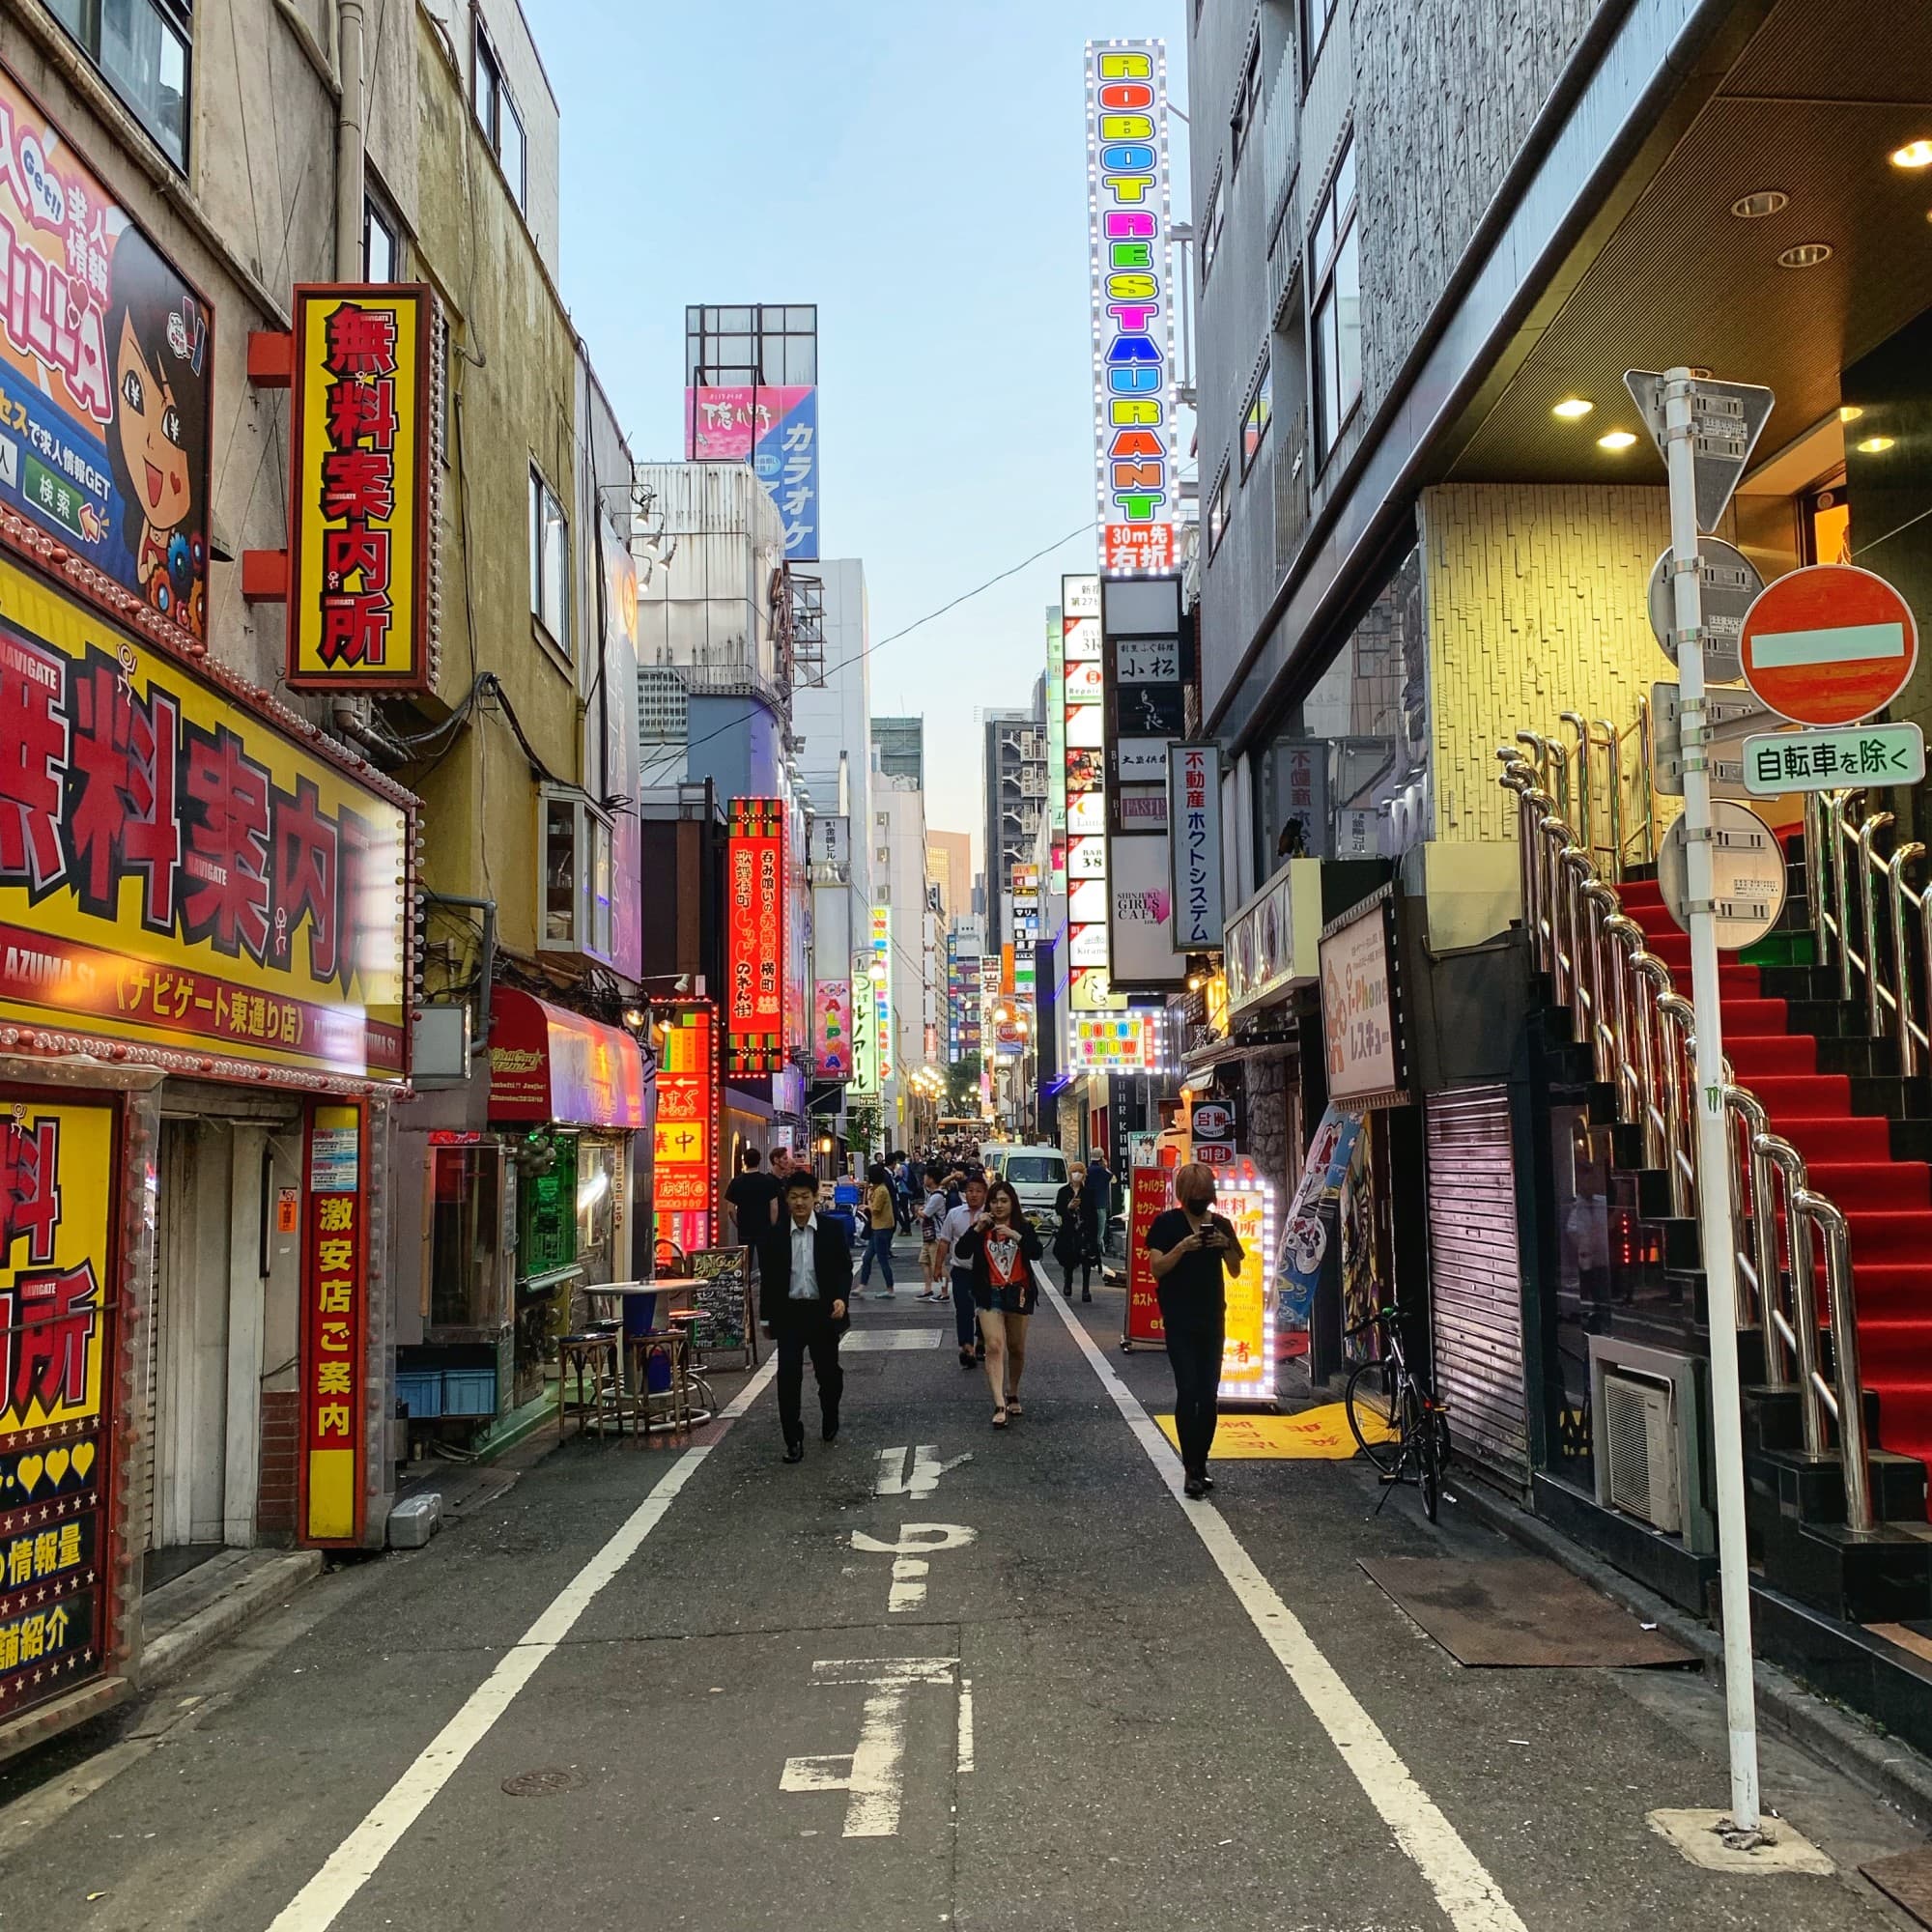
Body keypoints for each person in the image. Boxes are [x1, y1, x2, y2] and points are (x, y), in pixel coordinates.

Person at [1146, 1163, 1245, 1499]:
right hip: (1179, 1318)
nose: (1203, 1203)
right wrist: (1183, 1247)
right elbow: (1156, 1268)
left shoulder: (1220, 1225)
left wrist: (1225, 1245)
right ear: (1184, 1196)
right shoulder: (1165, 1224)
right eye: (1197, 1197)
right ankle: (1191, 1467)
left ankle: (1202, 1463)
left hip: (1212, 1317)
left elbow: (1234, 1270)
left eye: (1207, 1197)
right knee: (1187, 1389)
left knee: (1209, 1394)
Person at [760, 1170, 851, 1463]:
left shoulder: (831, 1230)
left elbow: (843, 1268)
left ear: (814, 1199)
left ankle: (830, 1412)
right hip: (789, 1314)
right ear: (786, 1199)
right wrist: (766, 1319)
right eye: (794, 1197)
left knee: (829, 1373)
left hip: (822, 1311)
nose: (800, 1202)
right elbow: (769, 1280)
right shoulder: (774, 1236)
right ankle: (792, 1438)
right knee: (788, 1377)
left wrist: (840, 1297)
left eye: (805, 1197)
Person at [954, 1179, 1044, 1429]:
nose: (999, 1206)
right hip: (989, 1293)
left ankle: (1013, 1391)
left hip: (1018, 1292)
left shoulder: (1023, 1227)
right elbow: (961, 1252)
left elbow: (1037, 1252)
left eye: (1004, 1201)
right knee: (994, 1345)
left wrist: (1016, 1236)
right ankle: (998, 1403)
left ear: (1013, 1203)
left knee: (1016, 1347)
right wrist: (976, 1229)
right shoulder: (982, 1227)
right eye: (994, 1201)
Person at [936, 1171, 988, 1369]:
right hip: (961, 1268)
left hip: (985, 1271)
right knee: (963, 1309)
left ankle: (982, 1340)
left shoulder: (990, 1215)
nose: (973, 1195)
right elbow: (944, 1241)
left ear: (985, 1194)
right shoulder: (955, 1214)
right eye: (970, 1191)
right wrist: (939, 1265)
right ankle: (967, 1346)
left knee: (985, 1308)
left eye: (978, 1191)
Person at [1052, 1162, 1100, 1302]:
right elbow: (1059, 1209)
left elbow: (1093, 1213)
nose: (1077, 1175)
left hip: (1084, 1230)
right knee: (1068, 1259)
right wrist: (1068, 1207)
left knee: (1086, 1260)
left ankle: (1086, 1289)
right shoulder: (1063, 1191)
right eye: (1074, 1172)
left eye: (1079, 1172)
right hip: (1068, 1230)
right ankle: (1068, 1281)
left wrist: (1094, 1233)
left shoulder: (1088, 1192)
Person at [724, 1149, 781, 1251]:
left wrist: (739, 1224)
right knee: (765, 1263)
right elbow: (774, 1207)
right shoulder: (768, 1181)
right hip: (764, 1228)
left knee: (746, 1261)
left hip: (745, 1229)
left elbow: (730, 1209)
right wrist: (771, 1225)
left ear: (744, 1161)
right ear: (759, 1161)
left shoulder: (736, 1182)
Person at [859, 1162, 898, 1297]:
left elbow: (876, 1209)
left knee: (882, 1259)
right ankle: (861, 1286)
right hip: (878, 1228)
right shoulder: (878, 1189)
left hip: (881, 1228)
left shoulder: (881, 1190)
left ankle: (890, 1289)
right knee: (867, 1258)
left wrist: (866, 1207)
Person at [917, 1173, 951, 1301]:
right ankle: (928, 1289)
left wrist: (918, 1211)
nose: (924, 1179)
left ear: (931, 1179)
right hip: (928, 1236)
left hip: (936, 1236)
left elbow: (925, 1214)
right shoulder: (932, 1195)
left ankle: (944, 1292)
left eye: (925, 1176)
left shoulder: (937, 1197)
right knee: (924, 1261)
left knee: (939, 1265)